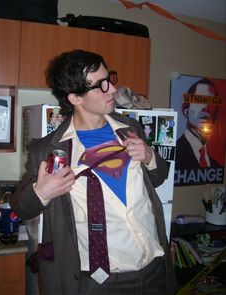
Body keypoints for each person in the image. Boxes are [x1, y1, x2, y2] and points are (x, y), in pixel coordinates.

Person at [11, 49, 176, 295]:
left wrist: (150, 157)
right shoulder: (48, 150)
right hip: (99, 283)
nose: (112, 90)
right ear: (76, 98)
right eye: (100, 86)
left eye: (109, 79)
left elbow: (159, 177)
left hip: (155, 271)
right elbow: (20, 207)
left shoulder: (129, 127)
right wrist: (41, 192)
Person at [175, 78, 221, 171]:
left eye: (211, 102)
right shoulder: (175, 153)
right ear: (185, 110)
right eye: (199, 100)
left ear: (216, 117)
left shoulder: (215, 166)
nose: (205, 107)